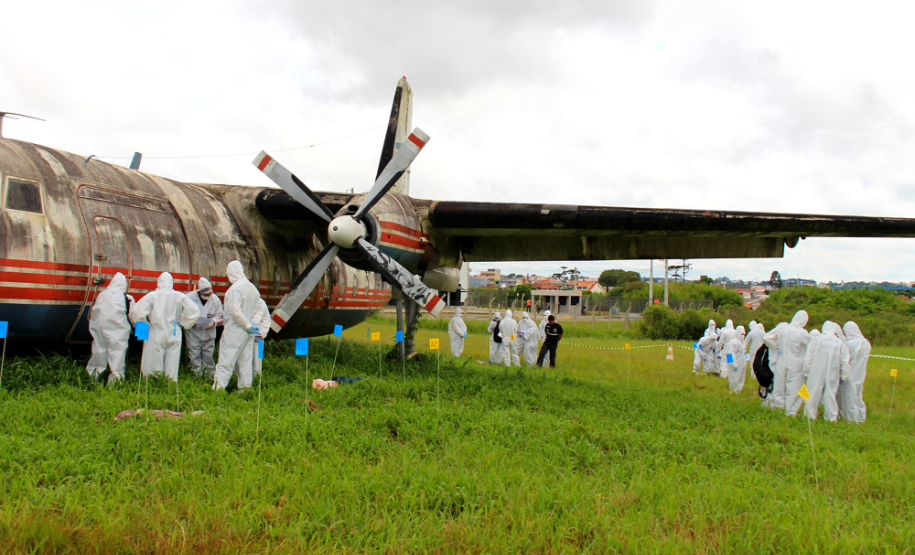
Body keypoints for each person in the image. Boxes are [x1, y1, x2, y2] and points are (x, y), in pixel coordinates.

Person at [129, 272, 200, 381]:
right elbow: (194, 311)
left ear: (158, 282)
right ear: (172, 283)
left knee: (153, 358)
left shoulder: (153, 295)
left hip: (156, 330)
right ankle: (170, 383)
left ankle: (153, 382)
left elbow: (137, 311)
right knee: (173, 360)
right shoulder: (179, 296)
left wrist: (144, 327)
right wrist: (184, 323)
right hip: (174, 331)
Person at [213, 261, 264, 390]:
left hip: (235, 331)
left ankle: (218, 389)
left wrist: (246, 324)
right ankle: (245, 389)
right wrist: (254, 323)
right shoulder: (253, 288)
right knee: (246, 362)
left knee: (226, 361)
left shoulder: (235, 289)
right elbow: (260, 309)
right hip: (249, 334)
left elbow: (235, 311)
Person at [86, 272, 135, 384]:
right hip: (117, 331)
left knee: (98, 352)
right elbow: (133, 315)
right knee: (117, 355)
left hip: (99, 329)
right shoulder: (126, 297)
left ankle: (92, 379)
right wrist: (140, 330)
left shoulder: (102, 294)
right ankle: (115, 382)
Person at [764, 310, 811, 414]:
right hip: (795, 363)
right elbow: (812, 345)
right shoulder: (802, 332)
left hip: (781, 360)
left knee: (779, 387)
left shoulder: (782, 327)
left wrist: (776, 346)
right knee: (793, 388)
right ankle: (791, 412)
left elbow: (766, 337)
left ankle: (778, 409)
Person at [801, 321, 850, 421]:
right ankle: (831, 418)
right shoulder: (839, 343)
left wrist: (806, 372)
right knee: (830, 395)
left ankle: (809, 416)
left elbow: (808, 357)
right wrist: (844, 376)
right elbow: (845, 361)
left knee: (812, 393)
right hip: (833, 373)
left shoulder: (816, 340)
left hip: (815, 372)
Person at [185, 277, 224, 377]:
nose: (208, 296)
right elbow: (183, 314)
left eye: (210, 294)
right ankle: (196, 376)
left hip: (209, 334)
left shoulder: (215, 299)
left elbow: (220, 315)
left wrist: (213, 323)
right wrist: (195, 321)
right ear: (199, 292)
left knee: (208, 355)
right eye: (206, 295)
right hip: (193, 333)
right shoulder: (189, 297)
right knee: (194, 354)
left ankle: (209, 375)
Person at [838, 321, 871, 422]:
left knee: (848, 396)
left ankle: (850, 419)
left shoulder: (851, 343)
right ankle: (860, 416)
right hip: (860, 373)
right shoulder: (865, 342)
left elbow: (844, 357)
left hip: (849, 374)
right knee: (858, 395)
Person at [725, 325, 747, 393]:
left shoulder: (742, 343)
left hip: (742, 364)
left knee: (741, 379)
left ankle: (739, 391)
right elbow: (730, 353)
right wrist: (733, 364)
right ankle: (733, 391)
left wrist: (746, 361)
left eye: (744, 334)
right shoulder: (733, 342)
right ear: (738, 334)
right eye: (742, 334)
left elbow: (743, 353)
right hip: (735, 365)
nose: (743, 336)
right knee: (734, 378)